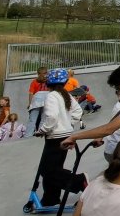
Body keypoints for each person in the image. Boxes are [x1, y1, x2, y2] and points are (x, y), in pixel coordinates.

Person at [36, 69, 87, 207]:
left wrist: (43, 130)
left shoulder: (51, 95)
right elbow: (78, 111)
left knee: (47, 170)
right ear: (65, 82)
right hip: (65, 134)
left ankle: (79, 181)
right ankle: (50, 199)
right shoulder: (65, 95)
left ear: (48, 83)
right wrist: (69, 124)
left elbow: (51, 117)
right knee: (54, 168)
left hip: (55, 137)